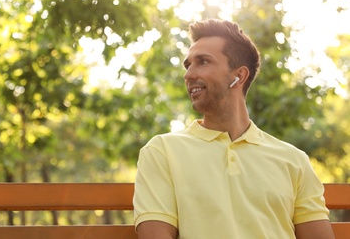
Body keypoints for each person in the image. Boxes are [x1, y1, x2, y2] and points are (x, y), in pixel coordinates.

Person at [133, 19, 335, 239]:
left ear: (239, 76)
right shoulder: (162, 152)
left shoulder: (294, 160)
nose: (189, 75)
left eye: (203, 62)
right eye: (188, 64)